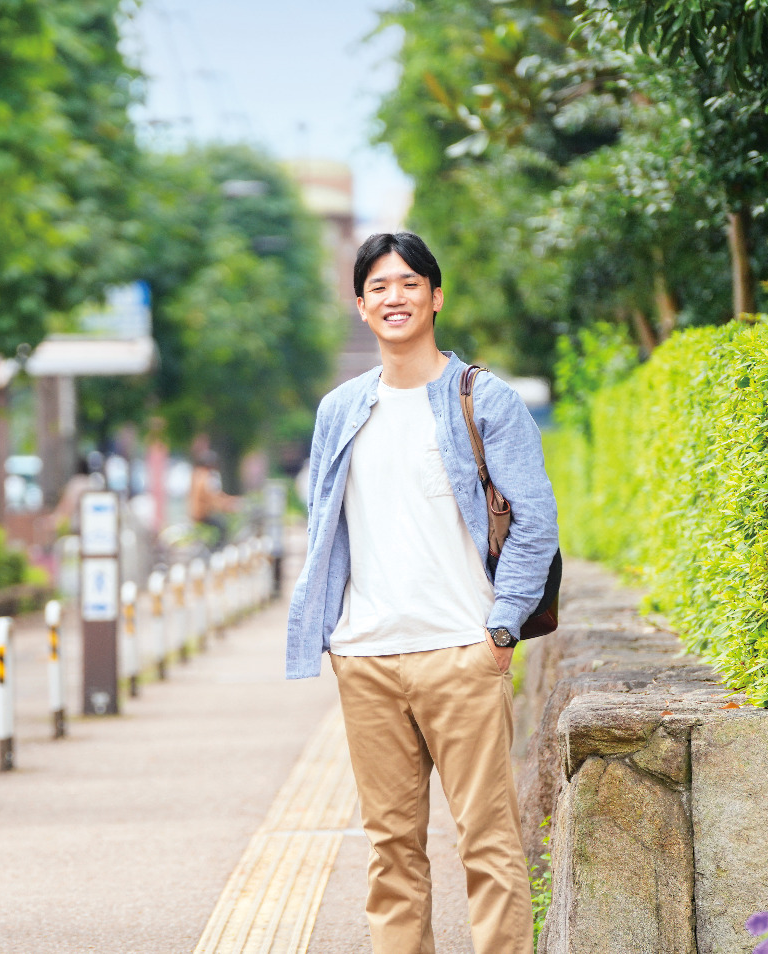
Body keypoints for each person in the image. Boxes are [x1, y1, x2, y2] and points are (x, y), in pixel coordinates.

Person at [286, 231, 558, 954]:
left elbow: (535, 523)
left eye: (409, 283)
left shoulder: (482, 398)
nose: (394, 296)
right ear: (361, 305)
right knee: (391, 854)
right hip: (368, 661)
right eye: (379, 287)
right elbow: (325, 526)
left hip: (460, 653)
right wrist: (333, 638)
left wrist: (501, 631)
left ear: (435, 298)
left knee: (489, 846)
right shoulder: (340, 409)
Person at [188, 450, 238, 547]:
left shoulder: (196, 475)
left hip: (194, 514)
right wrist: (229, 504)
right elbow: (213, 497)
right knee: (222, 526)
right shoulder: (206, 477)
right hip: (202, 515)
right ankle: (217, 551)